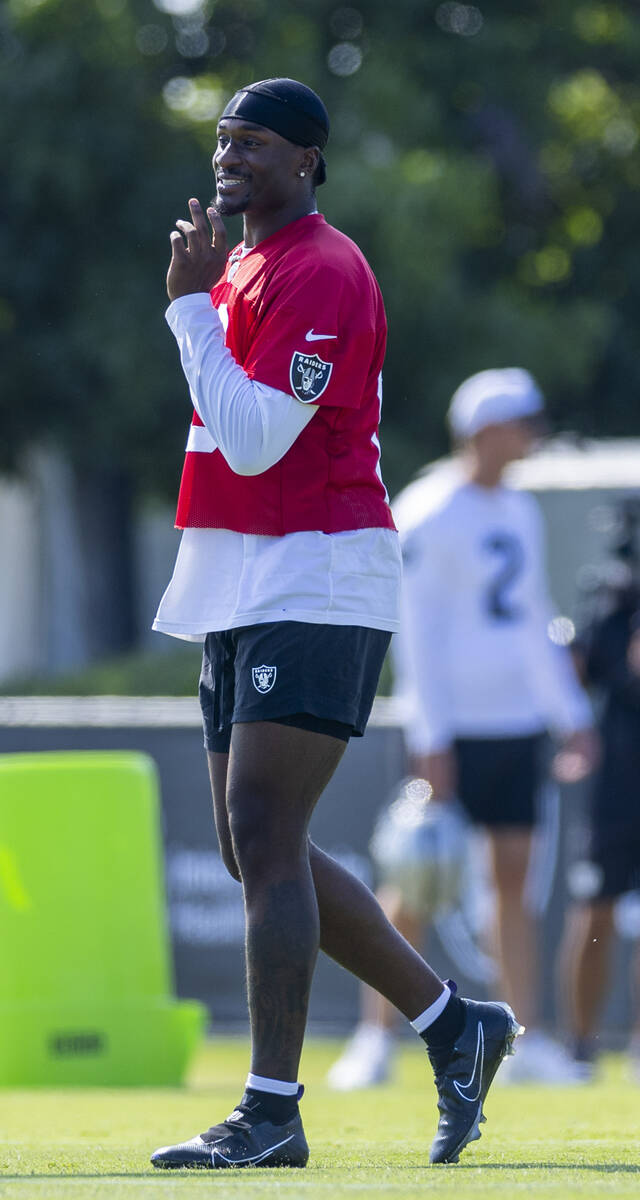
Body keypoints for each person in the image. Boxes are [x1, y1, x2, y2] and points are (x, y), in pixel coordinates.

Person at [148, 76, 521, 1171]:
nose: (230, 159)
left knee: (265, 836)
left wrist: (182, 309)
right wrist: (197, 303)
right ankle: (456, 1026)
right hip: (244, 576)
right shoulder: (242, 269)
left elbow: (259, 436)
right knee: (253, 845)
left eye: (254, 144)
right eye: (222, 142)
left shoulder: (323, 267)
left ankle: (271, 1112)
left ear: (308, 160)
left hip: (318, 570)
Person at [327, 368, 598, 1093]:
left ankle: (524, 1036)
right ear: (484, 430)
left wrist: (569, 717)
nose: (531, 438)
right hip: (450, 731)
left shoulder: (517, 511)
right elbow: (414, 632)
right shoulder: (428, 510)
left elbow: (529, 618)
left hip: (514, 725)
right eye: (521, 423)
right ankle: (373, 1037)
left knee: (513, 880)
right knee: (415, 883)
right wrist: (432, 735)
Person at [558, 502, 640, 1078]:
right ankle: (581, 1045)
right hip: (618, 777)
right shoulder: (614, 596)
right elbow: (580, 668)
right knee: (596, 907)